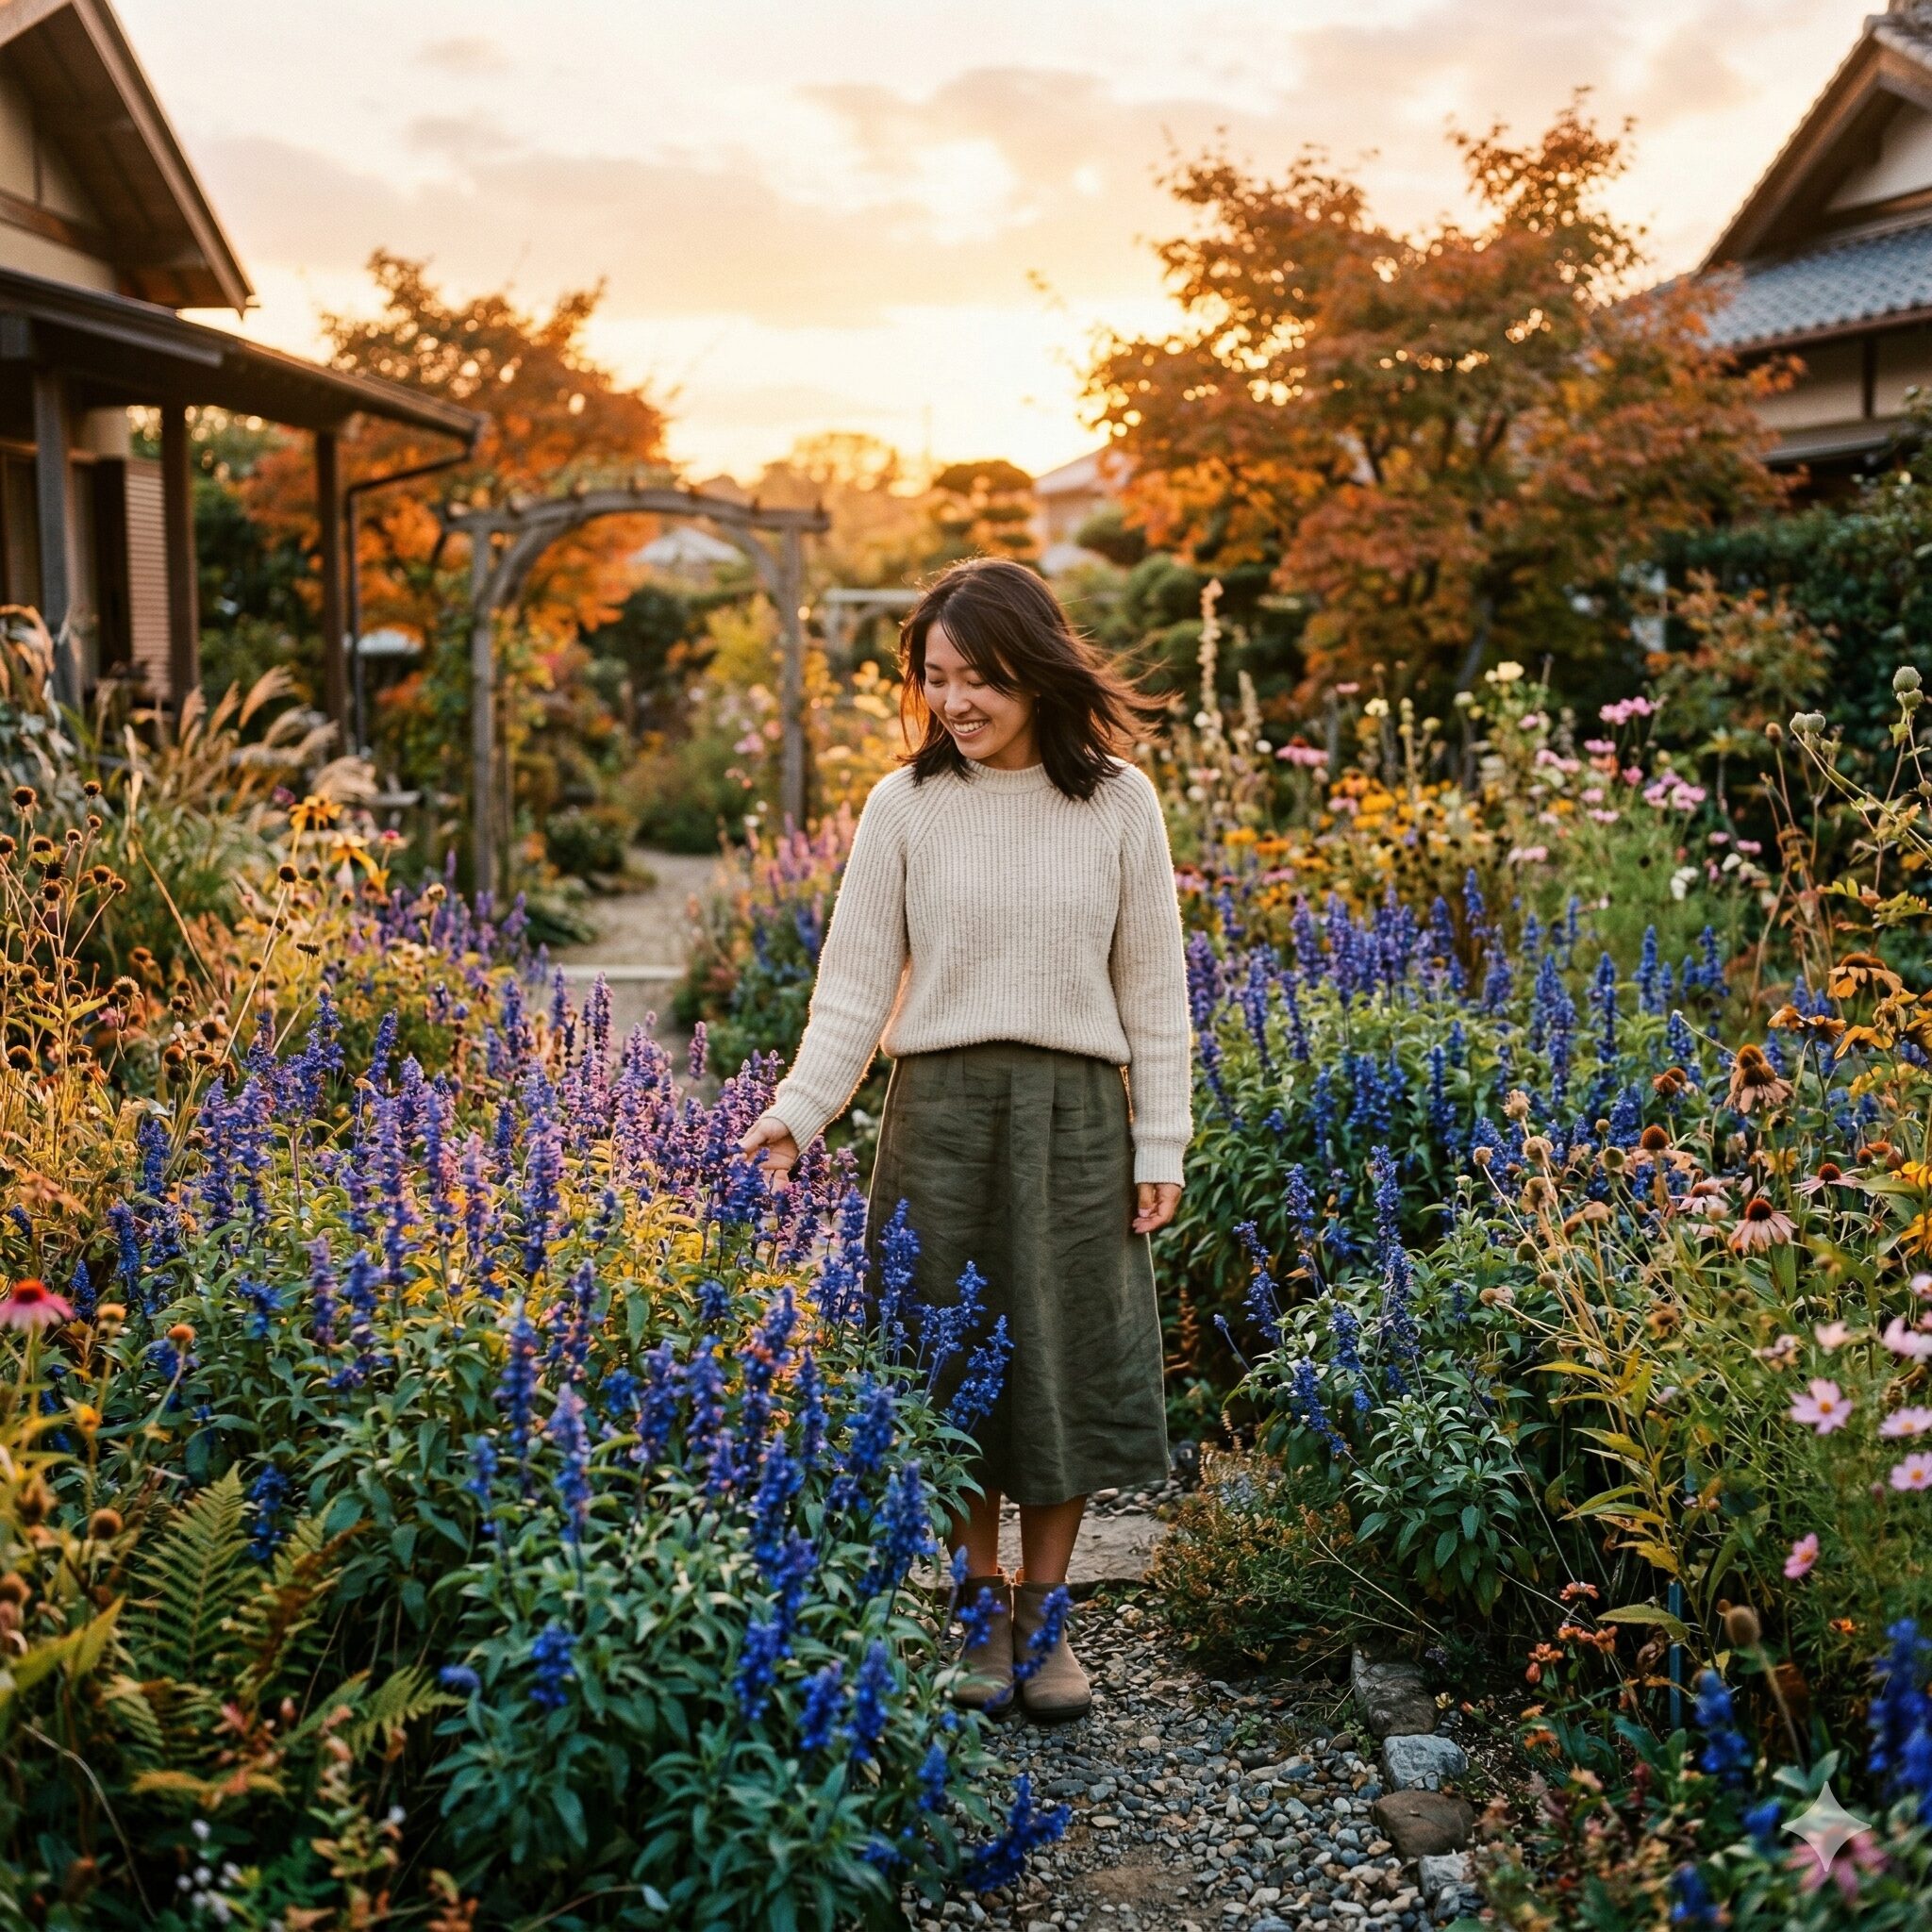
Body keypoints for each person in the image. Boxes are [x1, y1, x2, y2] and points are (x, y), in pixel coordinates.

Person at [740, 556, 1190, 1722]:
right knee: (948, 1364)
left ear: (1036, 672)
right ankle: (973, 1608)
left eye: (979, 678)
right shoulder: (905, 807)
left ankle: (1047, 1624)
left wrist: (1161, 1144)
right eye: (935, 678)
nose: (956, 703)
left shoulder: (1118, 803)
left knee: (1058, 1362)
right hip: (936, 1117)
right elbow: (850, 986)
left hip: (1075, 1120)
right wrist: (797, 1111)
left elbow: (1153, 992)